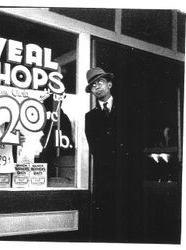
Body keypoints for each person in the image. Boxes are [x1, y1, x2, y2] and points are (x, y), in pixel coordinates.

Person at [85, 67, 117, 242]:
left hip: (127, 177)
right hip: (105, 177)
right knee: (106, 220)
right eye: (93, 85)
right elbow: (94, 148)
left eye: (100, 82)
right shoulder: (90, 117)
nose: (96, 87)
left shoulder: (126, 110)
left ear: (109, 84)